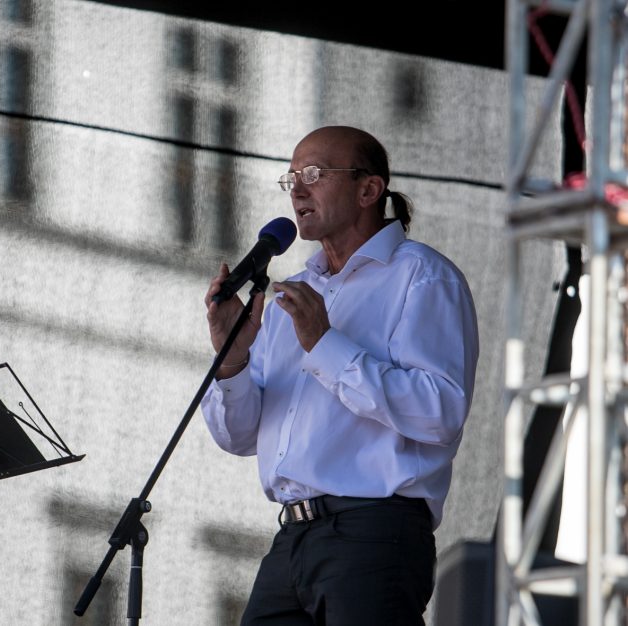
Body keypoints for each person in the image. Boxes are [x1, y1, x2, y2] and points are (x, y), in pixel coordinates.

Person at [200, 125, 479, 625]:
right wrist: (231, 361)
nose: (298, 190)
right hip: (290, 538)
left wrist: (326, 345)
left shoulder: (422, 276)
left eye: (314, 174)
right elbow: (239, 436)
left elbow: (441, 412)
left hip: (374, 533)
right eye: (291, 179)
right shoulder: (295, 292)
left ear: (368, 190)